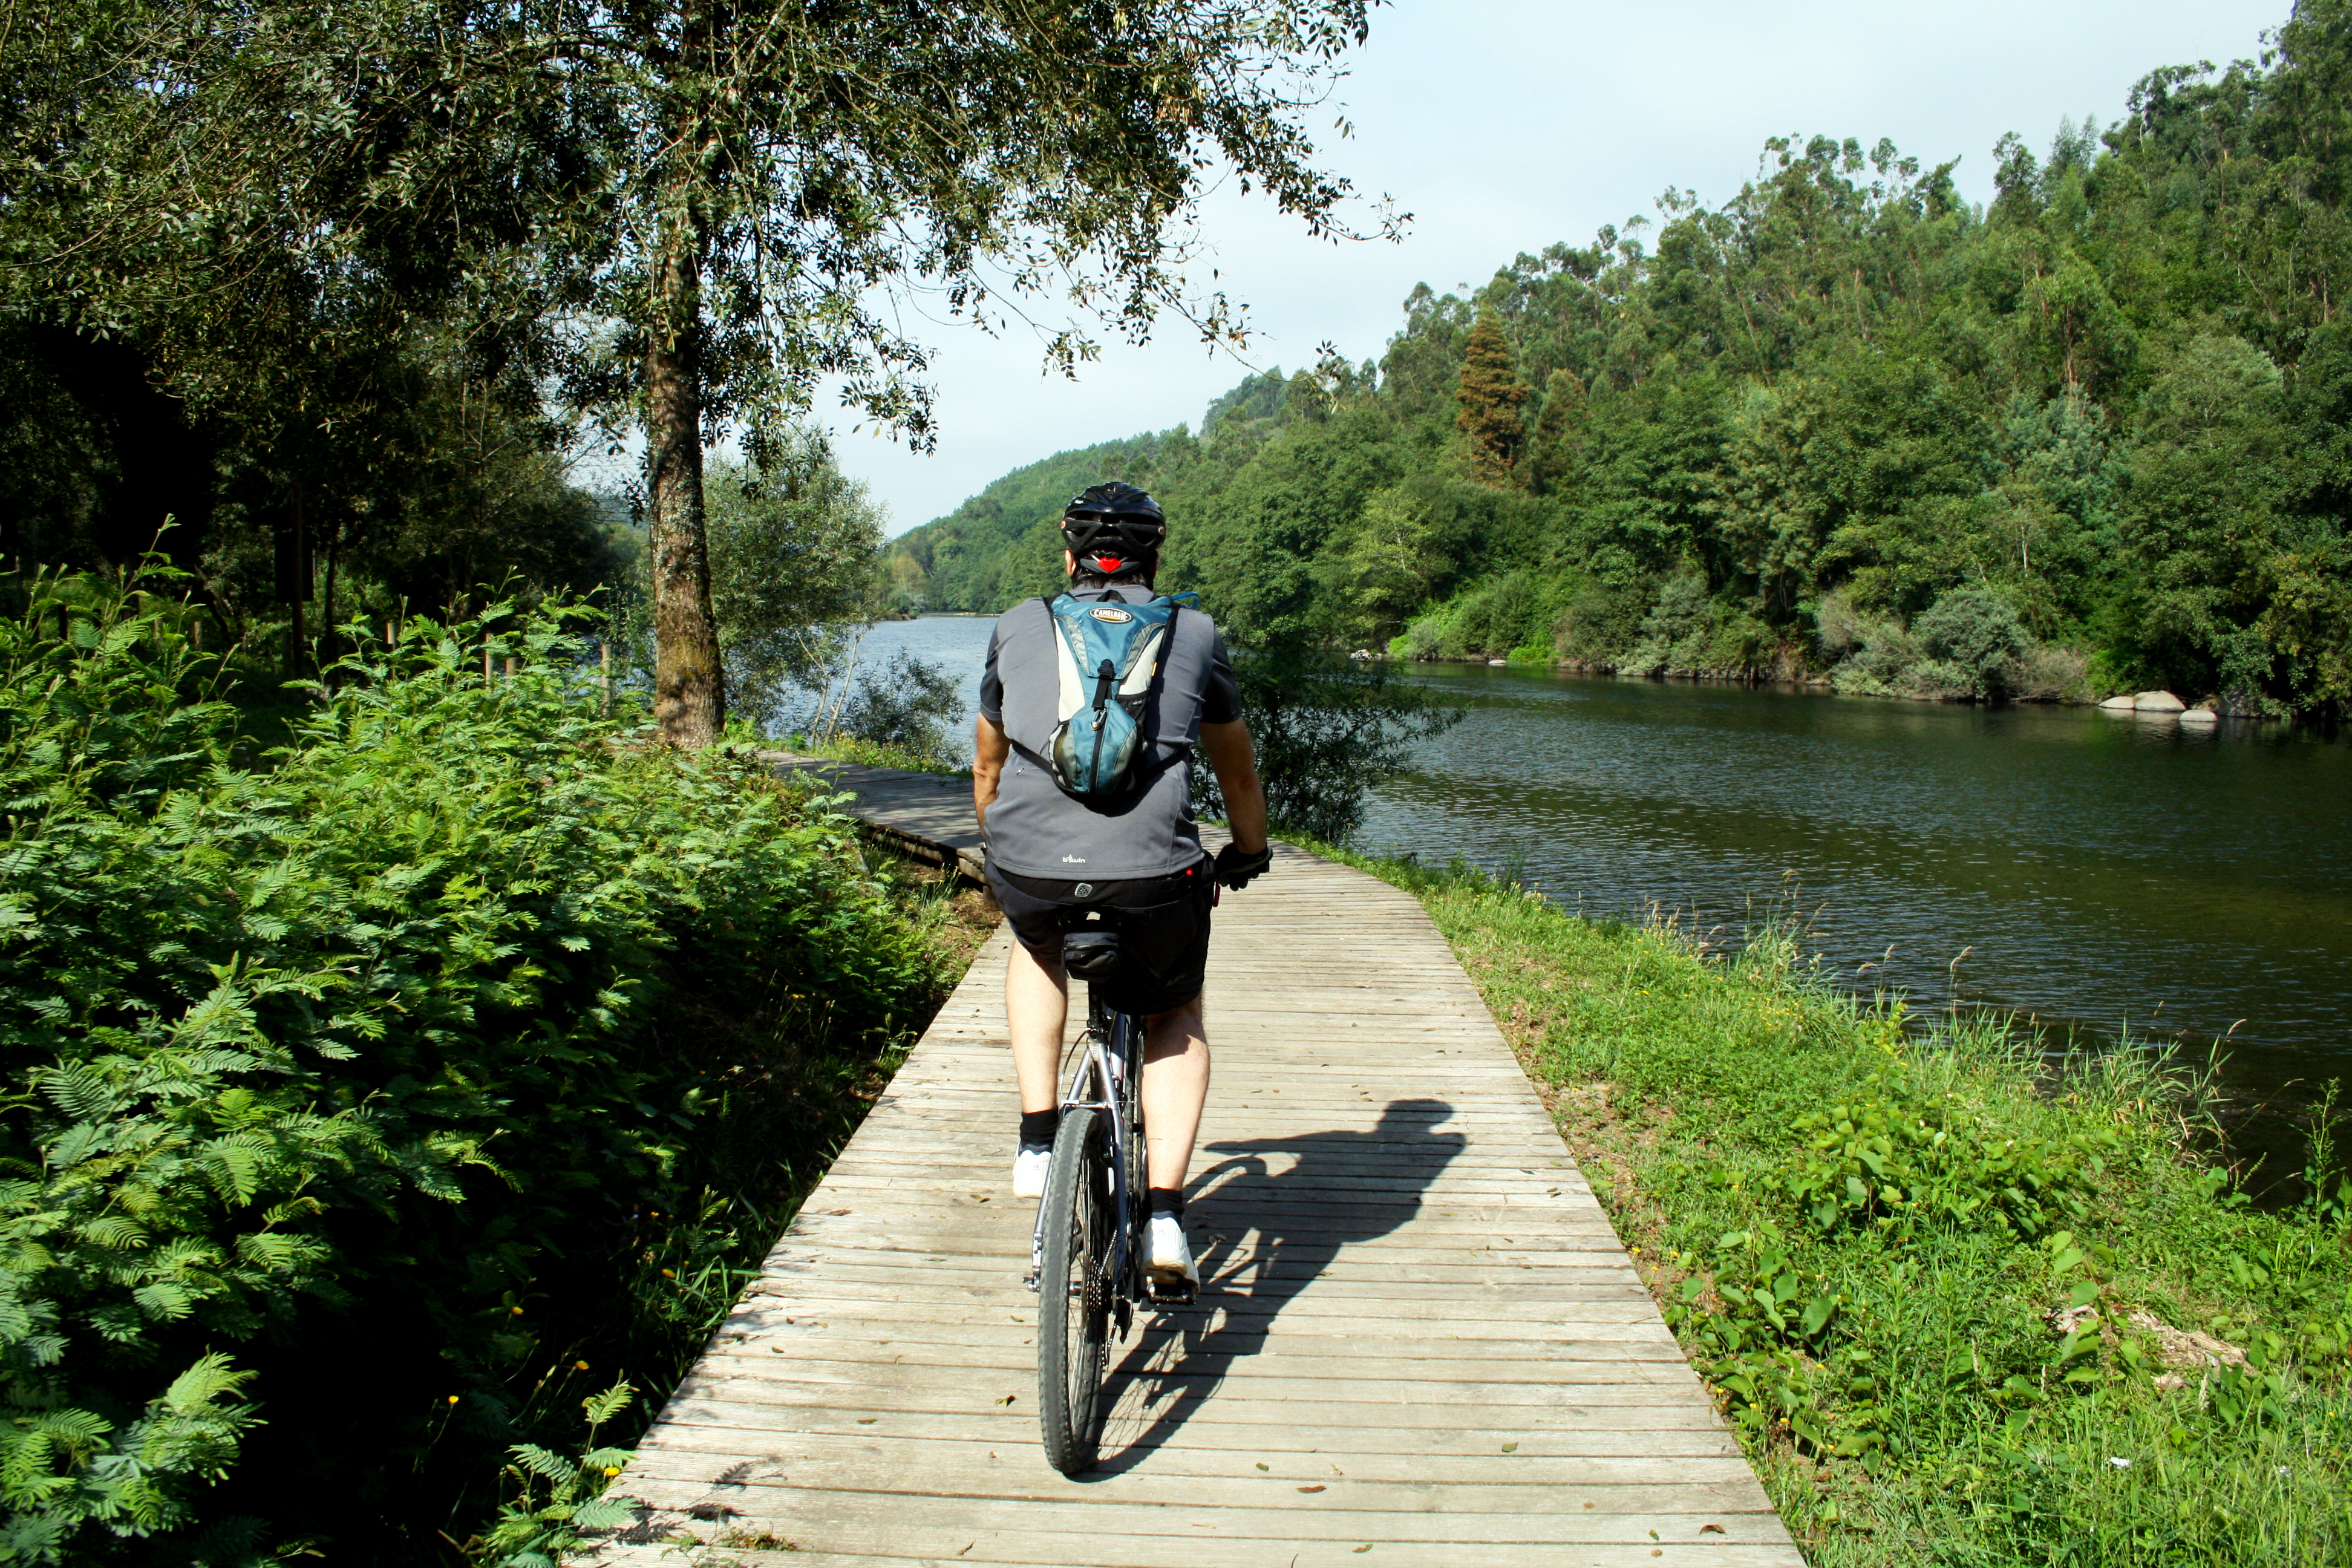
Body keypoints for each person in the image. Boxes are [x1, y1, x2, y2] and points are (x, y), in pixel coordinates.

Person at [971, 482, 1271, 1291]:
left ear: (1069, 558)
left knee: (1037, 952)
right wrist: (1248, 853)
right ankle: (1167, 1219)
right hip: (1154, 879)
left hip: (1030, 866)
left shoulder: (1017, 625)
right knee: (1173, 1009)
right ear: (1154, 559)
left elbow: (988, 769)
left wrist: (1004, 850)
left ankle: (1038, 1141)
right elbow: (1236, 773)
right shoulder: (1195, 635)